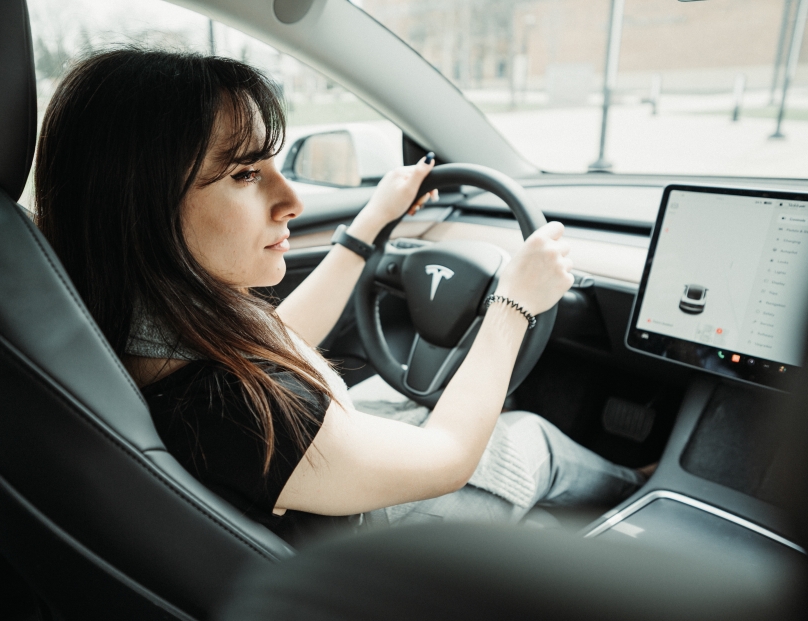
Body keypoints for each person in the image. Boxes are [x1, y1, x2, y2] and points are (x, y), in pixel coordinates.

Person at [35, 49, 647, 545]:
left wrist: (369, 225)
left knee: (394, 392)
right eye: (246, 175)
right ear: (140, 205)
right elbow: (449, 455)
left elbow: (281, 342)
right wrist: (514, 301)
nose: (291, 200)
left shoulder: (141, 322)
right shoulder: (231, 410)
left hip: (315, 487)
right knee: (526, 440)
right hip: (367, 552)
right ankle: (642, 485)